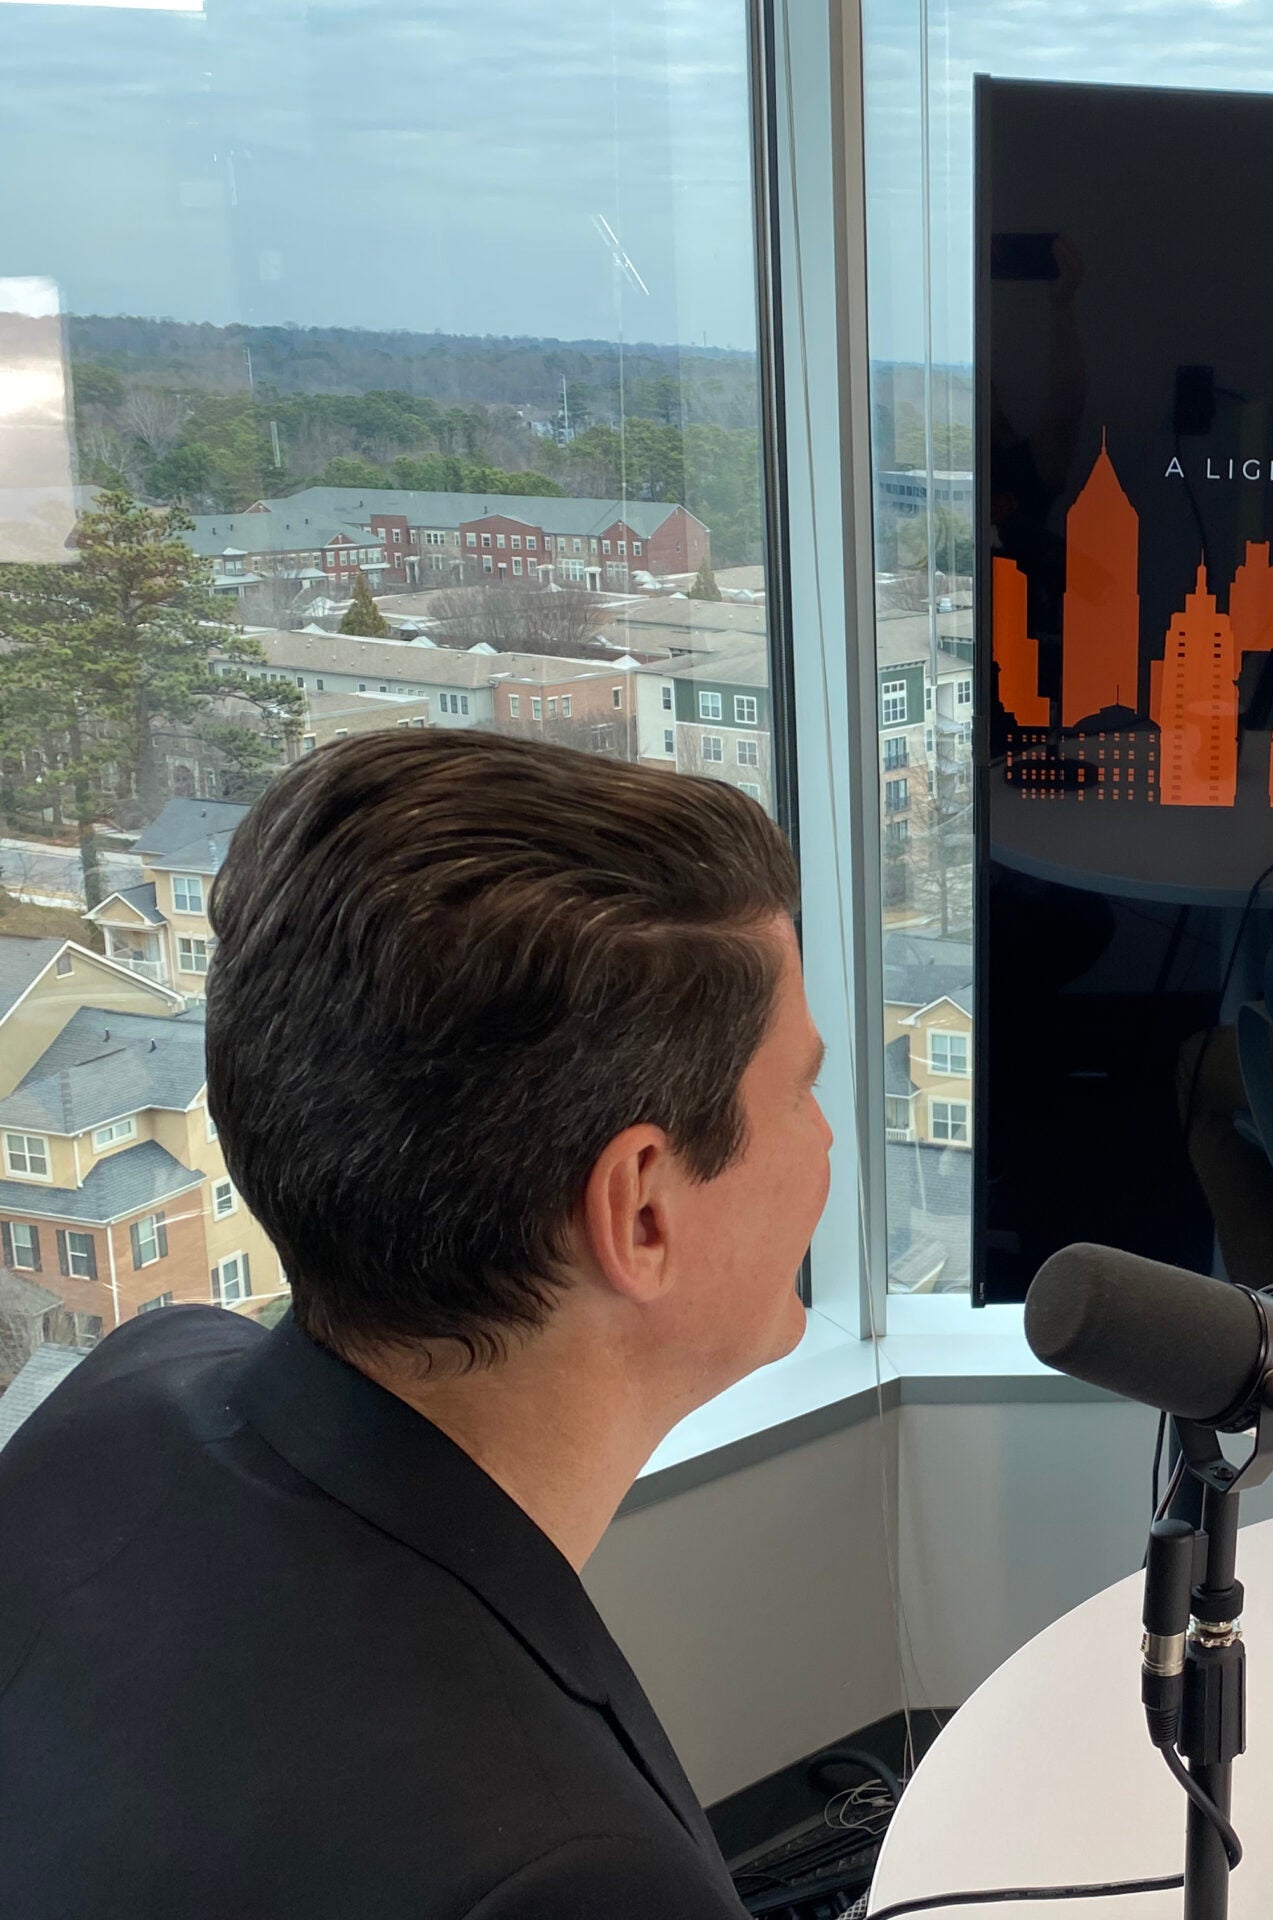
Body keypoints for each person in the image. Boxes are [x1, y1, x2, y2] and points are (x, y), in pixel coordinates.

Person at [0, 731, 830, 1917]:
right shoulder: (558, 1873)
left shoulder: (134, 1394)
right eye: (800, 1087)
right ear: (641, 1210)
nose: (829, 1139)